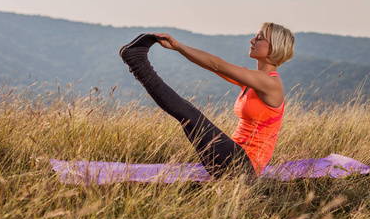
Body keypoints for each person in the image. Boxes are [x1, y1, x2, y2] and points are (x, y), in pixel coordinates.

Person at [119, 22, 295, 178]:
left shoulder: (270, 83)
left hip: (243, 166)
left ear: (274, 47)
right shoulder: (252, 80)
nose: (252, 40)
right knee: (187, 117)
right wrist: (177, 47)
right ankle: (136, 60)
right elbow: (211, 65)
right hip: (229, 156)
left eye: (260, 38)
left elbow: (217, 65)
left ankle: (137, 61)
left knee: (187, 113)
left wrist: (178, 46)